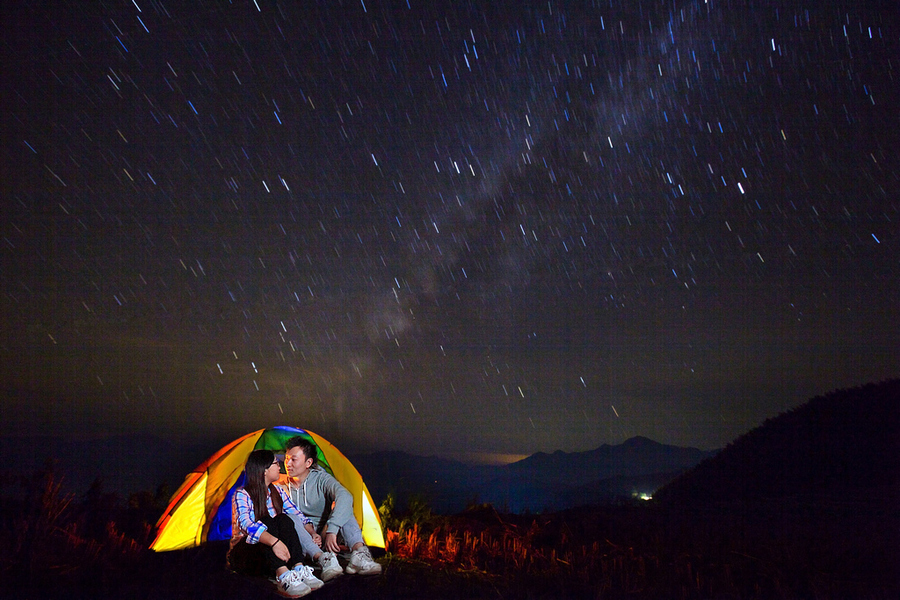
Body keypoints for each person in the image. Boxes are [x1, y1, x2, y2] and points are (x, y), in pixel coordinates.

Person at [227, 449, 324, 597]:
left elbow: (296, 513)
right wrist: (274, 542)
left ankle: (298, 568)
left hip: (273, 554)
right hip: (248, 554)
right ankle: (283, 576)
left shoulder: (278, 491)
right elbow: (245, 524)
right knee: (265, 521)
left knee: (285, 518)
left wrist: (312, 533)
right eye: (275, 463)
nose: (280, 466)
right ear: (264, 470)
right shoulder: (242, 494)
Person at [282, 436, 382, 578]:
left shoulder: (321, 479)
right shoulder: (281, 485)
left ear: (308, 462)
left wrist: (332, 530)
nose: (288, 464)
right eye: (286, 459)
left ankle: (360, 554)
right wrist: (311, 535)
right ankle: (324, 559)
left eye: (293, 459)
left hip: (325, 536)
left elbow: (345, 496)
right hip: (301, 540)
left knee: (344, 506)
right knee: (289, 518)